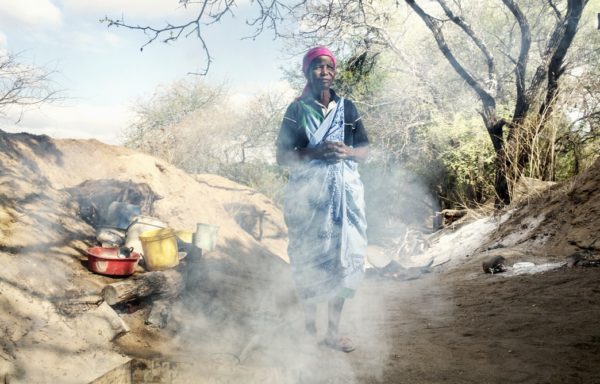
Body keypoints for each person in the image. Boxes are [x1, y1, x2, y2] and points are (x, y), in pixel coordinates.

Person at [276, 46, 369, 353]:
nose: (325, 71)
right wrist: (316, 152)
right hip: (309, 200)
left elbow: (365, 151)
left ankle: (332, 332)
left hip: (345, 198)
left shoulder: (348, 108)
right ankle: (308, 331)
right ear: (307, 72)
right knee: (309, 262)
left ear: (335, 71)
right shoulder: (297, 110)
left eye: (329, 66)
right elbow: (282, 157)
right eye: (317, 66)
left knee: (341, 261)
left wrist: (349, 152)